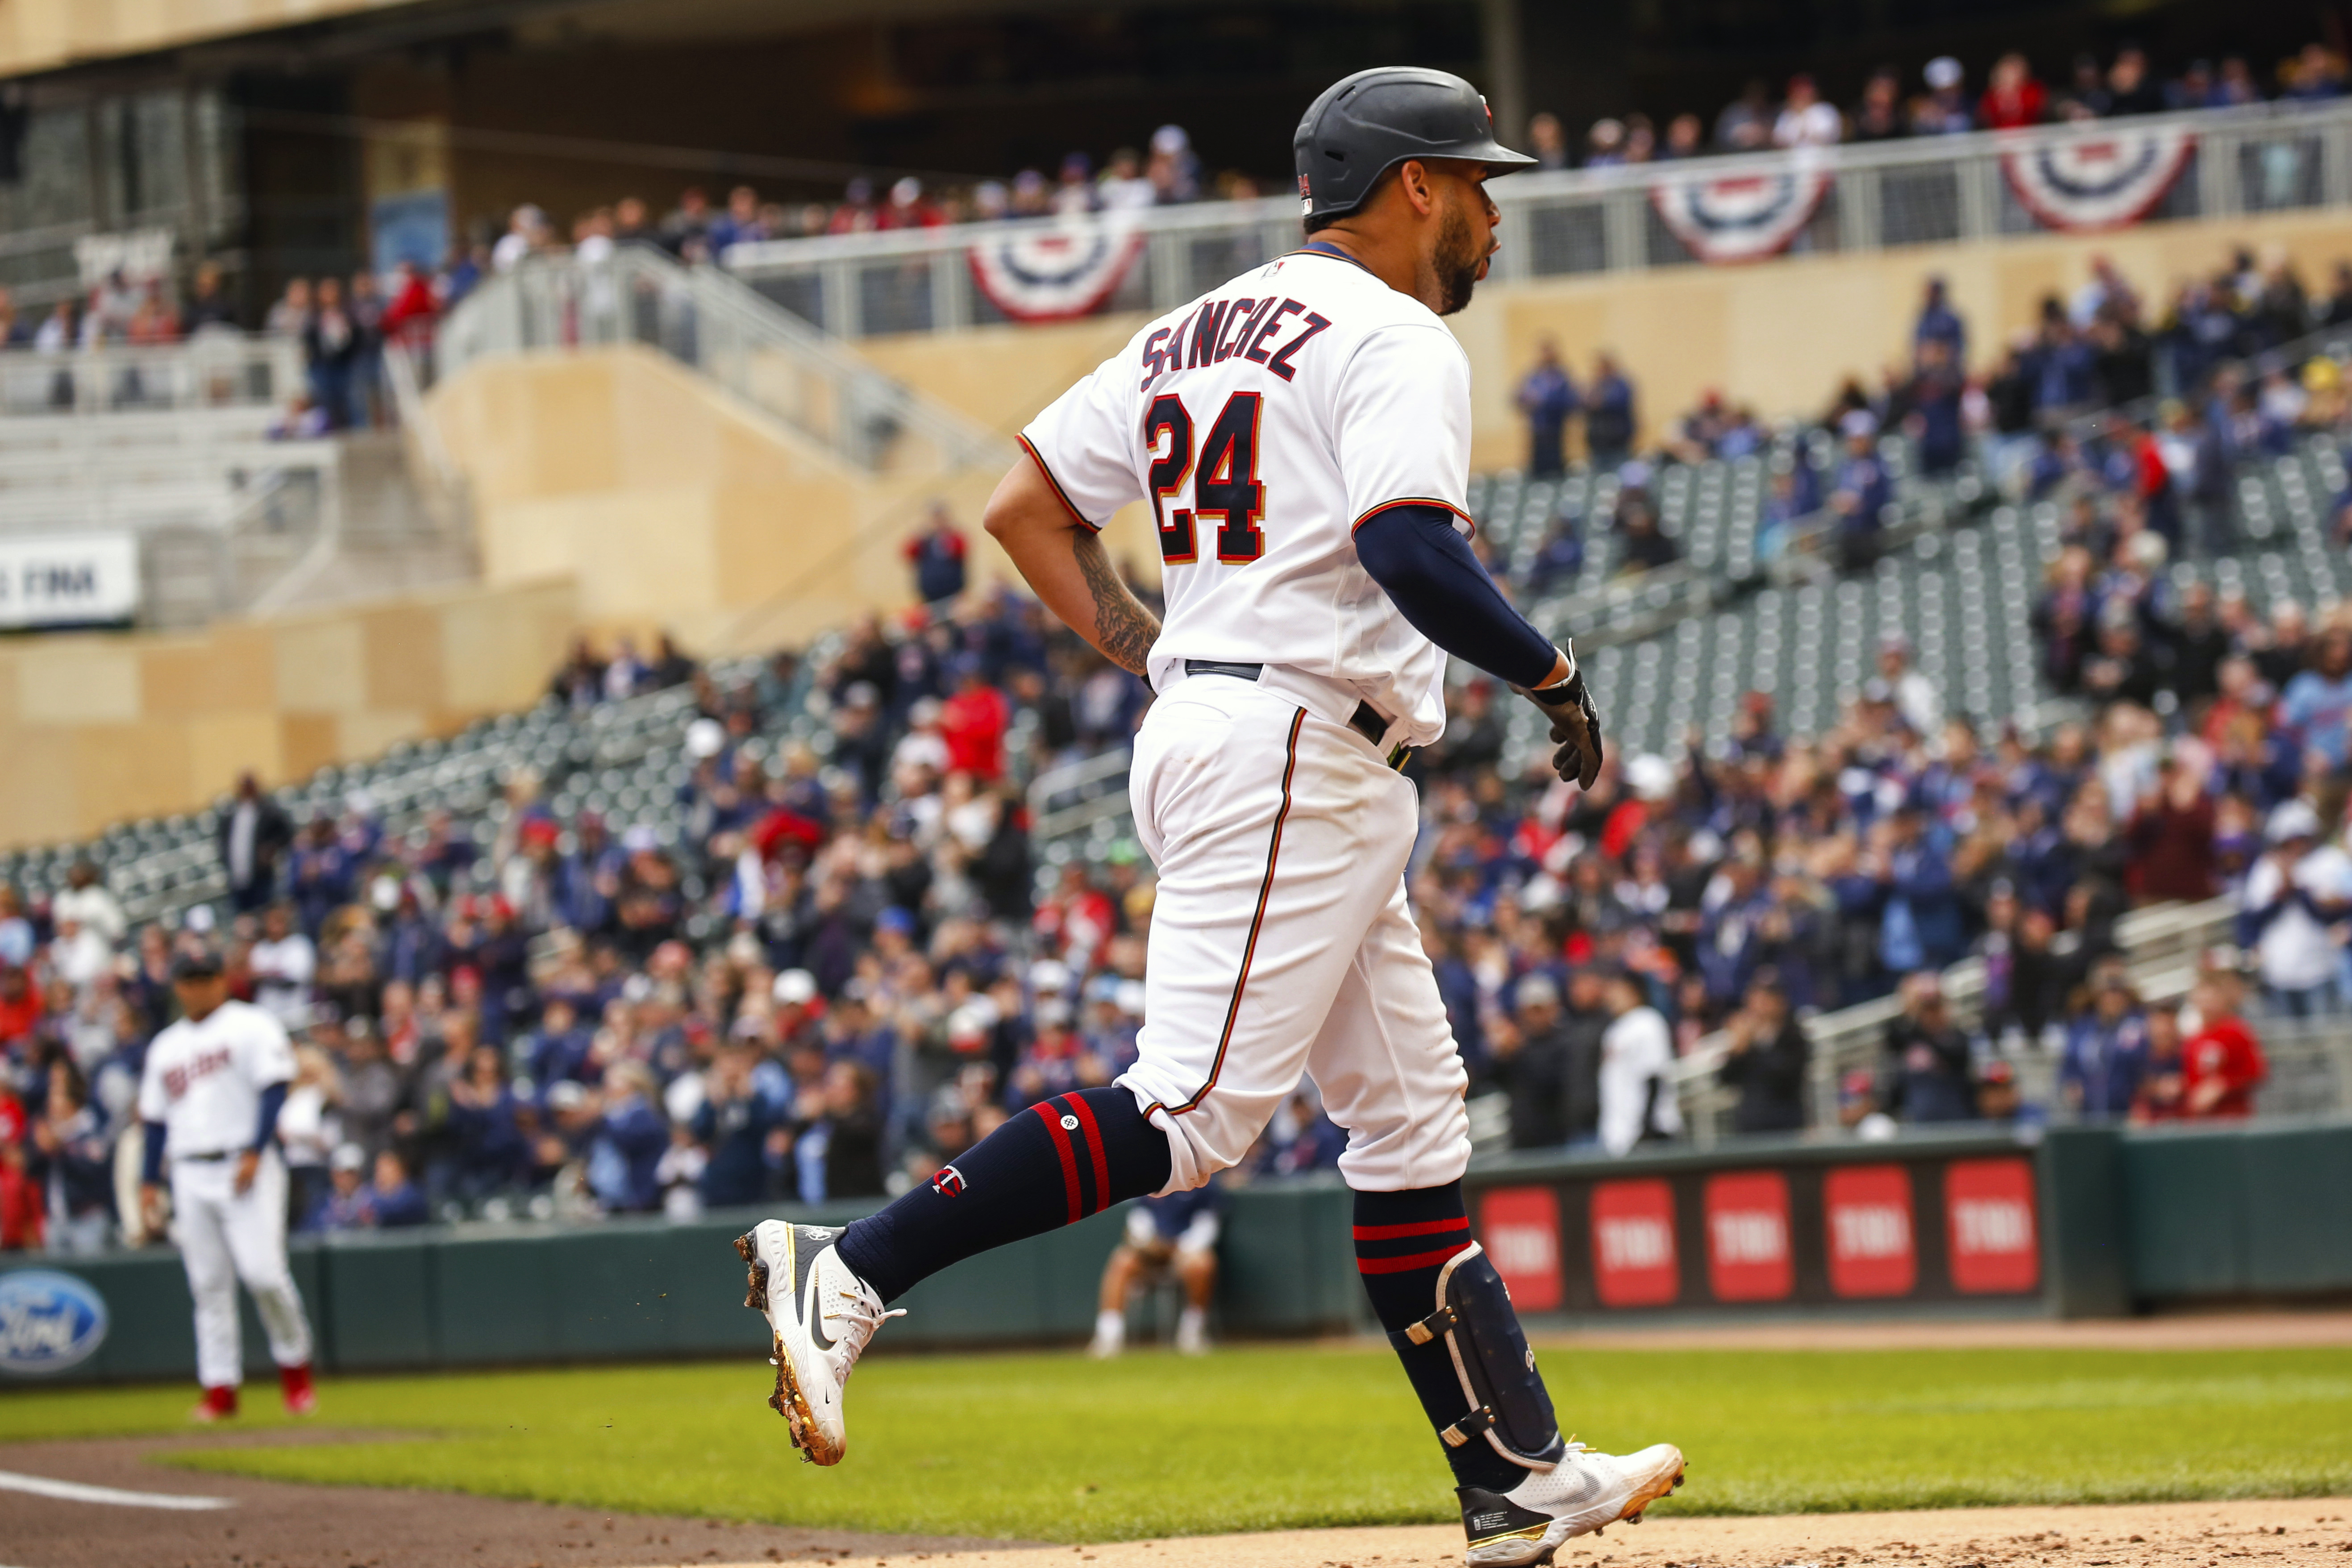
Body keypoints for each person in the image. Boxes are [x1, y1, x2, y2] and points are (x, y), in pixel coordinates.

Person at [730, 67, 1681, 1566]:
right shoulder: (1390, 331)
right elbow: (1406, 552)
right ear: (1411, 185)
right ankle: (844, 1271)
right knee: (1185, 1114)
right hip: (1294, 739)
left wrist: (1159, 652)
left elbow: (1023, 507)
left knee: (1405, 1118)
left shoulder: (1192, 328)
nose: (1490, 213)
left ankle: (1514, 1470)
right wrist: (1548, 673)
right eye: (1473, 182)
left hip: (1252, 726)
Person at [135, 947, 318, 1421]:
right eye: (189, 978)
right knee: (208, 1286)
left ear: (222, 979)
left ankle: (295, 1370)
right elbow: (154, 1122)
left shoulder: (251, 1024)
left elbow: (274, 1088)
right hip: (189, 1170)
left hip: (245, 1163)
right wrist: (147, 1179)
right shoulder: (165, 1046)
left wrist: (257, 1149)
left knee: (264, 1275)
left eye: (206, 976)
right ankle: (220, 1389)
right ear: (177, 985)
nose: (198, 986)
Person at [1087, 1181, 1222, 1357]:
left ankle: (1192, 1333)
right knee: (1122, 1261)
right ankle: (1109, 1336)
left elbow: (1207, 1226)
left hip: (1186, 1253)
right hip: (1151, 1255)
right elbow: (1139, 1221)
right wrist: (1148, 1244)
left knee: (1202, 1264)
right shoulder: (1151, 1179)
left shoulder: (1205, 1183)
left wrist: (1181, 1249)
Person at [1597, 967, 1682, 1156]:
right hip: (1621, 1136)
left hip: (1648, 1133)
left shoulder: (1648, 1022)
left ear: (1634, 992)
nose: (1610, 996)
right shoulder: (1615, 1029)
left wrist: (1647, 1129)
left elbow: (1655, 1077)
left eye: (1616, 989)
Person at [1716, 969, 1807, 1135]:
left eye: (1766, 999)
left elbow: (1786, 1076)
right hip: (1750, 1130)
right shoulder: (1745, 1040)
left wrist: (1755, 1045)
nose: (1759, 1005)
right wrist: (1737, 1052)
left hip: (1785, 1129)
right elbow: (1725, 1078)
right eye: (1755, 998)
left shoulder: (1794, 1036)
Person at [218, 773, 294, 915]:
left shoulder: (268, 811)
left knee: (263, 913)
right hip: (237, 876)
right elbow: (223, 841)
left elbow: (287, 833)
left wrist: (272, 847)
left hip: (261, 876)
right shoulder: (232, 814)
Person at [1515, 341, 1577, 479]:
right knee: (1538, 472)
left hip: (1556, 432)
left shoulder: (1562, 378)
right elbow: (1516, 397)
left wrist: (1544, 401)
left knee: (1556, 472)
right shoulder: (1533, 377)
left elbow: (1571, 401)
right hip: (1538, 432)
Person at [903, 502, 969, 606]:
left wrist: (946, 538)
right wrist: (918, 537)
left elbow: (961, 552)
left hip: (953, 592)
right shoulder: (922, 540)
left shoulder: (954, 537)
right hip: (928, 594)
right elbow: (908, 554)